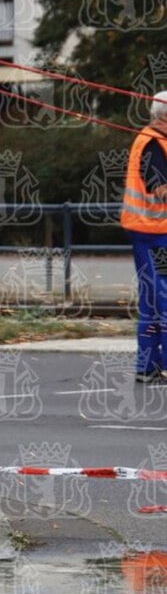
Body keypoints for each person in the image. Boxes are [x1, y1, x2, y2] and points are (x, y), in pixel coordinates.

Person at [122, 90, 167, 383]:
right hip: (154, 234)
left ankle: (148, 365)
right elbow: (160, 189)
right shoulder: (152, 145)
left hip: (147, 232)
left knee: (152, 300)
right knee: (162, 298)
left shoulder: (153, 140)